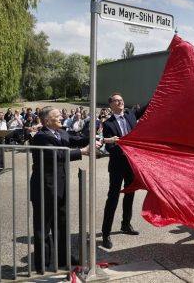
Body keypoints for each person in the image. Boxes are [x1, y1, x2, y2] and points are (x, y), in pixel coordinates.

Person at [30, 106, 101, 274]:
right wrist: (82, 152)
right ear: (47, 120)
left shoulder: (60, 132)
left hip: (60, 188)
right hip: (44, 189)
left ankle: (63, 259)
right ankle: (43, 266)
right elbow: (58, 155)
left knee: (61, 225)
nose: (61, 117)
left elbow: (77, 139)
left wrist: (95, 134)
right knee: (43, 229)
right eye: (57, 115)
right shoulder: (41, 137)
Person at [101, 93, 147, 249]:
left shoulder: (130, 115)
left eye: (121, 99)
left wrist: (161, 92)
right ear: (111, 105)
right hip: (117, 166)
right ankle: (105, 234)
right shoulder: (108, 124)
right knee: (112, 198)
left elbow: (148, 107)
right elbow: (109, 147)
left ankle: (126, 224)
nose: (120, 102)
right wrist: (125, 149)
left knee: (130, 193)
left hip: (131, 165)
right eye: (116, 100)